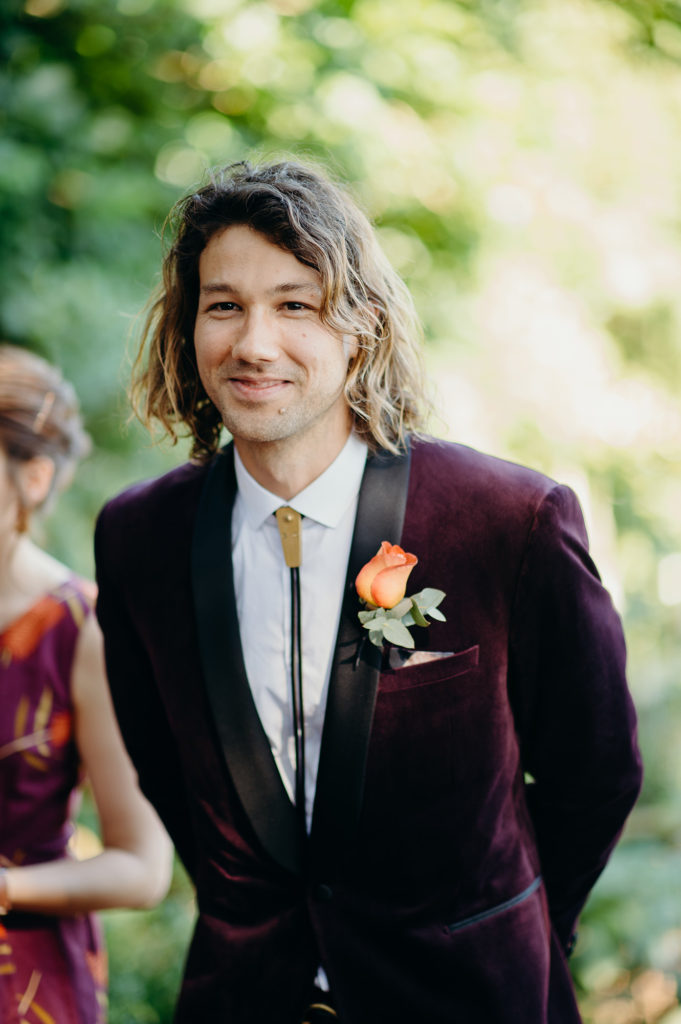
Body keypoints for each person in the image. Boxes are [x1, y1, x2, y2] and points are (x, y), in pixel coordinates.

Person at [94, 160, 642, 1024]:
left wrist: (519, 933)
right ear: (187, 324)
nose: (253, 344)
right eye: (223, 305)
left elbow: (595, 770)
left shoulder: (508, 519)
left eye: (295, 305)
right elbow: (167, 771)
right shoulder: (138, 537)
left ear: (362, 325)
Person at [0, 345, 172, 1024]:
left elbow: (142, 866)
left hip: (22, 986)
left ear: (34, 478)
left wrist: (6, 888)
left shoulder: (83, 630)